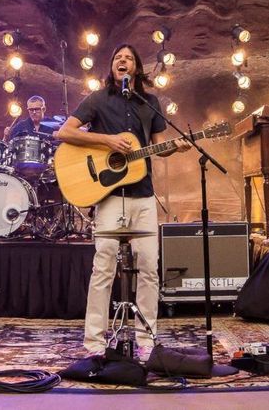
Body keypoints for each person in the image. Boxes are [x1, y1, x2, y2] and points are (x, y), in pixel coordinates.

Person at [56, 44, 189, 357]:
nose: (123, 61)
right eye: (118, 58)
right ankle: (93, 345)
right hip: (109, 196)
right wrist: (107, 140)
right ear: (112, 67)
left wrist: (177, 146)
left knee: (149, 269)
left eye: (129, 57)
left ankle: (145, 343)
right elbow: (65, 133)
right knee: (103, 267)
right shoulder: (98, 100)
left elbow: (158, 146)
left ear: (137, 68)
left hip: (143, 194)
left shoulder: (150, 103)